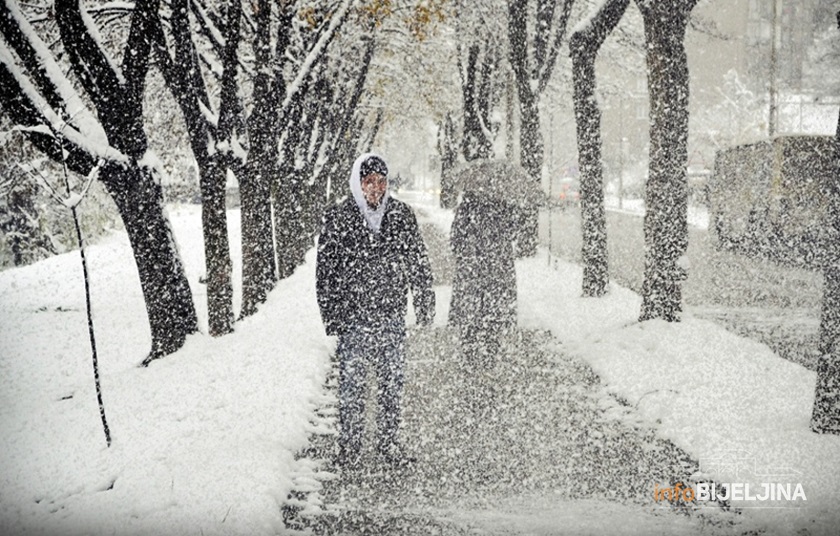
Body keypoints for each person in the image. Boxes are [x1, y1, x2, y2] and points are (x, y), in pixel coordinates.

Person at [316, 153, 435, 469]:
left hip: (391, 314)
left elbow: (417, 260)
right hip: (354, 317)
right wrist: (332, 316)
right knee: (352, 387)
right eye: (369, 181)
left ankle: (388, 444)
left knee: (391, 384)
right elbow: (326, 270)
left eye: (381, 182)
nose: (376, 188)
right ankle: (349, 447)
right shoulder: (339, 217)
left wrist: (424, 301)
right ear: (358, 183)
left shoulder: (400, 215)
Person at [448, 190, 519, 369]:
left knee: (470, 311)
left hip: (472, 269)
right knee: (492, 310)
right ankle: (490, 351)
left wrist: (467, 252)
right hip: (496, 269)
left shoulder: (467, 206)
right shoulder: (503, 205)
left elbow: (455, 239)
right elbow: (513, 233)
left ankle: (470, 352)